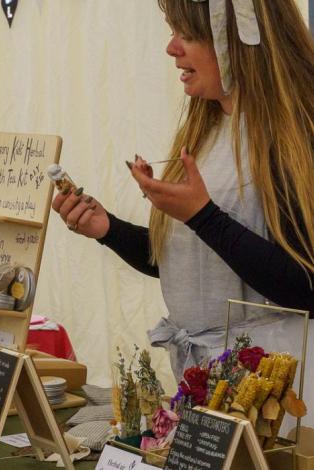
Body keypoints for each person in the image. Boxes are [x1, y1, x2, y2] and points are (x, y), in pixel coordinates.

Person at [52, 0, 314, 425]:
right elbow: (191, 265)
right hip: (212, 389)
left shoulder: (294, 135)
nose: (171, 48)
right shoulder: (207, 130)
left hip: (279, 402)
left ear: (235, 40)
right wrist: (109, 229)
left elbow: (304, 286)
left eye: (187, 35)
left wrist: (203, 216)